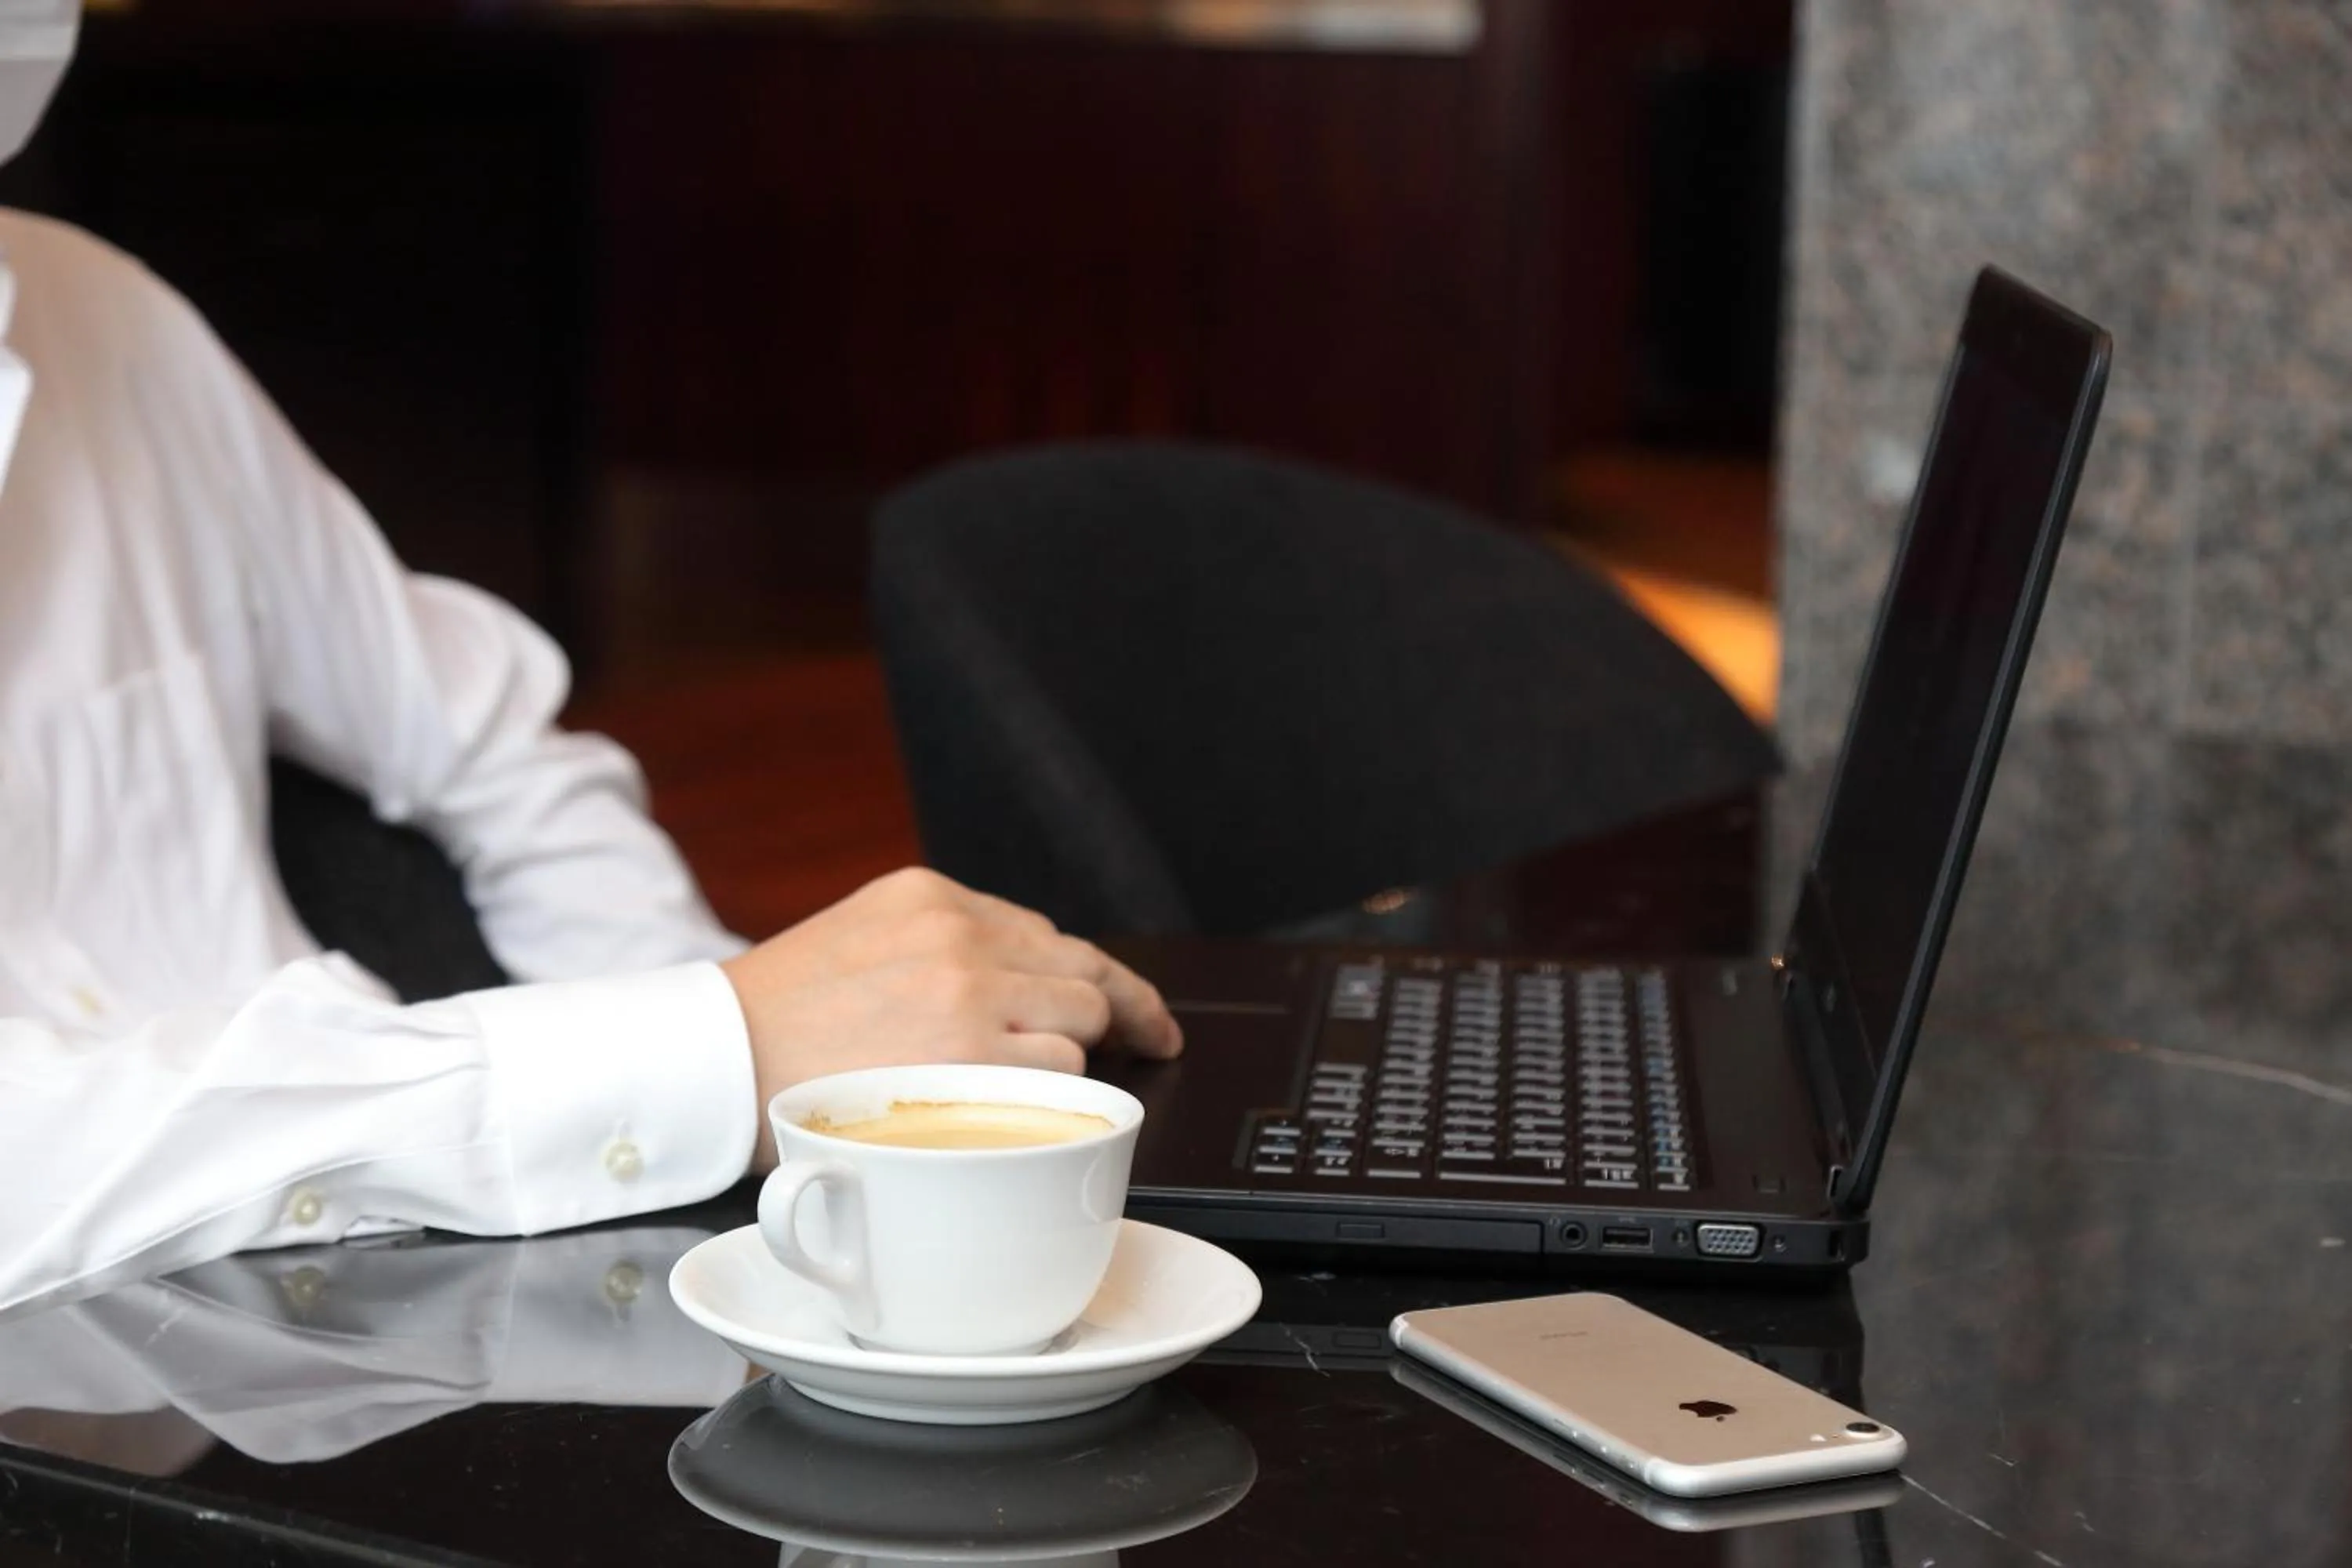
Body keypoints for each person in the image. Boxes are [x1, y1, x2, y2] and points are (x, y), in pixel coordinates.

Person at [0, 5, 1180, 1316]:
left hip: (404, 1315)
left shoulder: (99, 317)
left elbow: (486, 748)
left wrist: (757, 1078)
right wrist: (706, 1050)